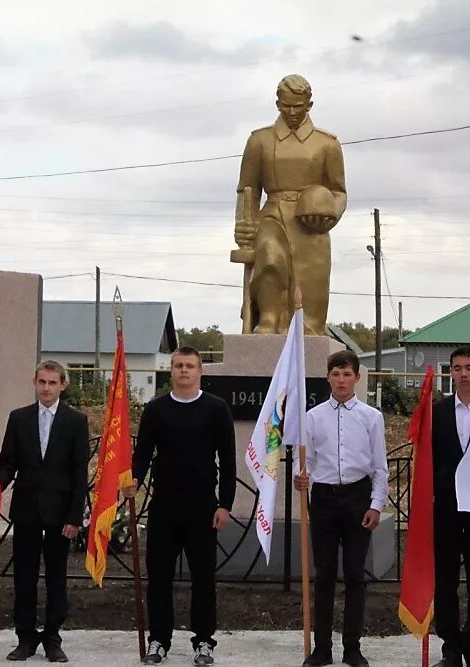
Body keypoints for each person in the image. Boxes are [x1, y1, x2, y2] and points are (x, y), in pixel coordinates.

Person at [124, 347, 236, 666]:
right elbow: (143, 453)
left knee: (203, 578)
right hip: (164, 506)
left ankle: (203, 641)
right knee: (159, 576)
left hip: (203, 506)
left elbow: (227, 462)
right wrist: (133, 479)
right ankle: (159, 639)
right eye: (178, 365)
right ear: (170, 370)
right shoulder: (156, 410)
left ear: (200, 370)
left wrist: (225, 504)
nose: (183, 370)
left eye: (189, 365)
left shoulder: (216, 409)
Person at [294, 350, 388, 667]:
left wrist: (376, 504)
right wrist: (300, 476)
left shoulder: (371, 417)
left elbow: (379, 467)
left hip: (357, 498)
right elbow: (303, 459)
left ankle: (352, 647)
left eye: (347, 374)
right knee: (324, 576)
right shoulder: (312, 417)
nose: (341, 380)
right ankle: (322, 647)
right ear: (328, 377)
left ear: (357, 378)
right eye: (336, 374)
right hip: (323, 500)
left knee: (354, 576)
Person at [234, 73, 347, 336]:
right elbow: (247, 190)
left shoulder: (327, 144)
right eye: (286, 105)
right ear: (277, 104)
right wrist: (243, 225)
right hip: (272, 215)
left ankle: (306, 329)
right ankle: (269, 320)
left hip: (312, 224)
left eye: (298, 105)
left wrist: (330, 213)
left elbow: (339, 192)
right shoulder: (259, 141)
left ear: (309, 104)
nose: (292, 111)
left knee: (310, 288)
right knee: (270, 259)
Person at [0, 361, 90, 663]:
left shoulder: (76, 421)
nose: (47, 388)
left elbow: (79, 473)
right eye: (42, 382)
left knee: (55, 576)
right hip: (26, 510)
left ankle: (52, 637)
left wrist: (75, 517)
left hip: (60, 513)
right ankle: (25, 638)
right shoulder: (19, 418)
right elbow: (7, 463)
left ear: (63, 384)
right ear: (34, 382)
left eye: (52, 383)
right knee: (23, 576)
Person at [431, 347, 470, 667]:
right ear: (451, 373)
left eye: (469, 367)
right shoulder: (438, 412)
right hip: (447, 509)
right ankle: (451, 648)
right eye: (457, 368)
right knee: (446, 580)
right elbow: (430, 461)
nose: (463, 373)